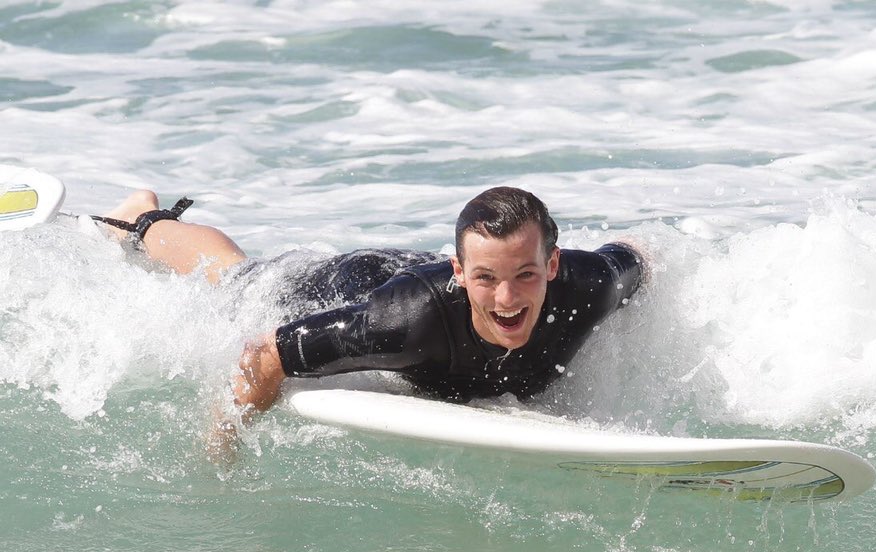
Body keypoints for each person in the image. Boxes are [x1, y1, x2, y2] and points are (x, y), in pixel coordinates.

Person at [94, 186, 645, 423]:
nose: (506, 299)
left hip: (421, 274)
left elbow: (643, 254)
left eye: (525, 275)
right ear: (461, 273)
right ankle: (142, 222)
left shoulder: (588, 286)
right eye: (486, 279)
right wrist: (221, 451)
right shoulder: (403, 325)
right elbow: (265, 355)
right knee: (239, 281)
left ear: (551, 267)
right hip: (355, 285)